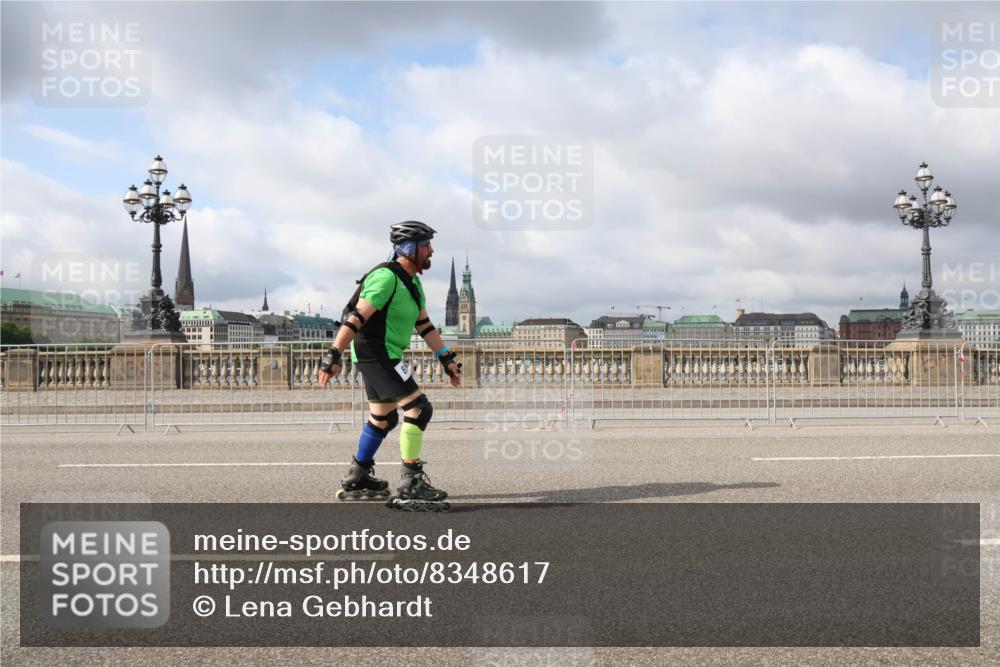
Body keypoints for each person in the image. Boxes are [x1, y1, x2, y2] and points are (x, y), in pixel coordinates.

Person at [318, 221, 461, 511]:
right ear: (409, 249)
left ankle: (358, 476)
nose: (431, 250)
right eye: (426, 245)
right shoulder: (386, 278)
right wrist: (333, 355)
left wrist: (446, 358)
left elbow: (424, 325)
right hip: (376, 353)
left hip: (384, 353)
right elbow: (355, 319)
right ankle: (411, 482)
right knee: (418, 408)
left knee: (384, 418)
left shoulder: (413, 281)